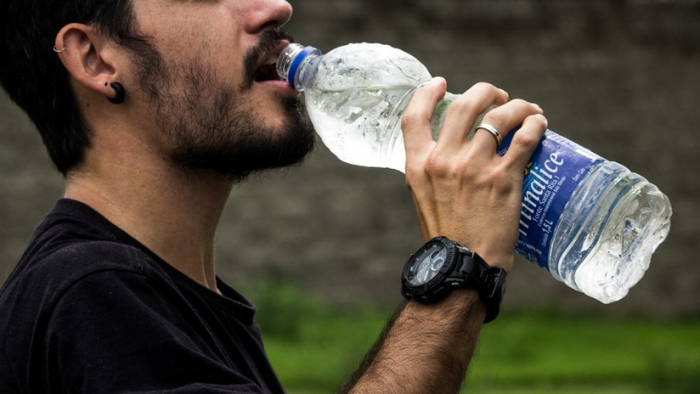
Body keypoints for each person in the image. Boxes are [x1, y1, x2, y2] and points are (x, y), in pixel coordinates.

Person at [0, 0, 547, 393]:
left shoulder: (168, 296)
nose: (275, 9)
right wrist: (458, 268)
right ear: (94, 59)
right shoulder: (94, 297)